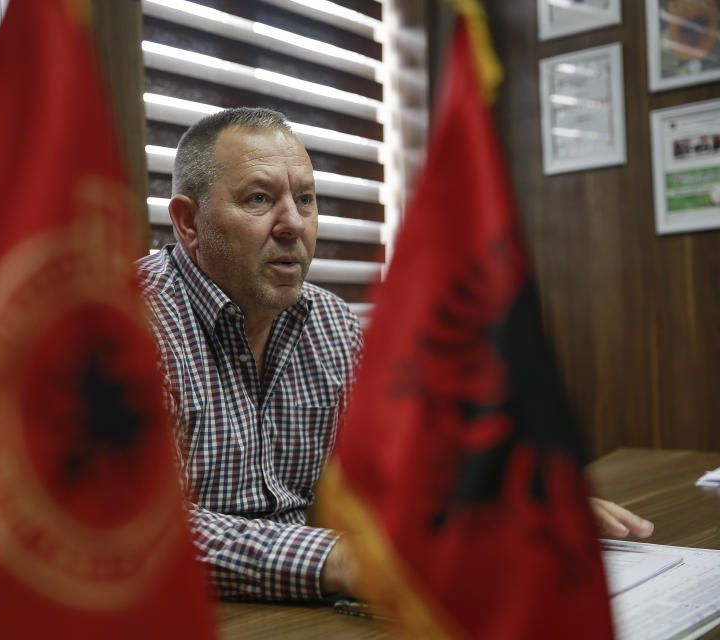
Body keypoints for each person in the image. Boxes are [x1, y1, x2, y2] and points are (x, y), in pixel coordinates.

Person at [135, 107, 653, 602]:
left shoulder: (332, 324)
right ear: (188, 223)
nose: (293, 224)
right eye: (258, 199)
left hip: (307, 610)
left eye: (307, 200)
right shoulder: (127, 323)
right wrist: (340, 558)